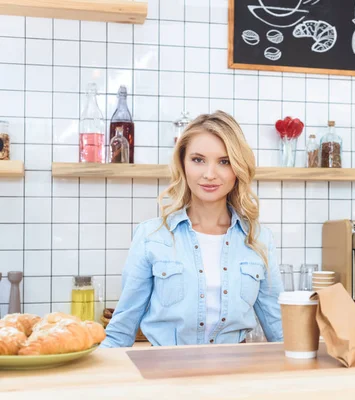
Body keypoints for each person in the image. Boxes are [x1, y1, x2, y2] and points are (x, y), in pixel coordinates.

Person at [101, 111, 283, 347]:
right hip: (166, 376)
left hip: (235, 378)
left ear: (238, 169)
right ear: (183, 164)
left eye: (224, 161)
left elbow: (280, 331)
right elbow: (120, 332)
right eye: (198, 160)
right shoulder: (152, 236)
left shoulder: (259, 240)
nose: (209, 174)